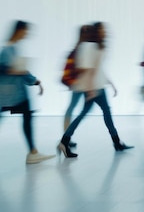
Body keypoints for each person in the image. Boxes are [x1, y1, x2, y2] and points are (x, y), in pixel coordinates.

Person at [57, 22, 133, 158]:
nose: (105, 31)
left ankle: (65, 141)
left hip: (96, 86)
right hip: (94, 87)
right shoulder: (91, 47)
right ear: (97, 32)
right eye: (103, 29)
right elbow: (89, 70)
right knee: (102, 112)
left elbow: (98, 69)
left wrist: (110, 83)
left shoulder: (97, 46)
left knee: (91, 113)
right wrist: (91, 90)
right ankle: (116, 142)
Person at [0, 21, 55, 164]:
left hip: (16, 93)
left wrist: (36, 81)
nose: (26, 34)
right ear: (18, 31)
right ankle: (32, 153)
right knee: (26, 117)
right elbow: (5, 69)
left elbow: (21, 69)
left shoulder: (14, 48)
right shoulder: (7, 50)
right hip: (10, 94)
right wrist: (14, 71)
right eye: (25, 32)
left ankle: (33, 152)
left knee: (27, 116)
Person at [62, 25, 92, 147]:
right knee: (76, 108)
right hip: (80, 83)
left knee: (74, 108)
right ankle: (66, 136)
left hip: (80, 83)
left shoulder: (79, 48)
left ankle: (66, 136)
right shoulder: (81, 49)